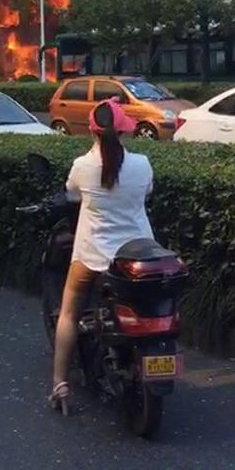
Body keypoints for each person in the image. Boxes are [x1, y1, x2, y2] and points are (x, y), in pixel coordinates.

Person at [50, 98, 155, 415]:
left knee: (69, 312)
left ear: (93, 131)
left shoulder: (83, 166)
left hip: (93, 257)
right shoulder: (142, 164)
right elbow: (147, 192)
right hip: (138, 258)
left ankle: (59, 384)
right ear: (123, 129)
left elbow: (71, 193)